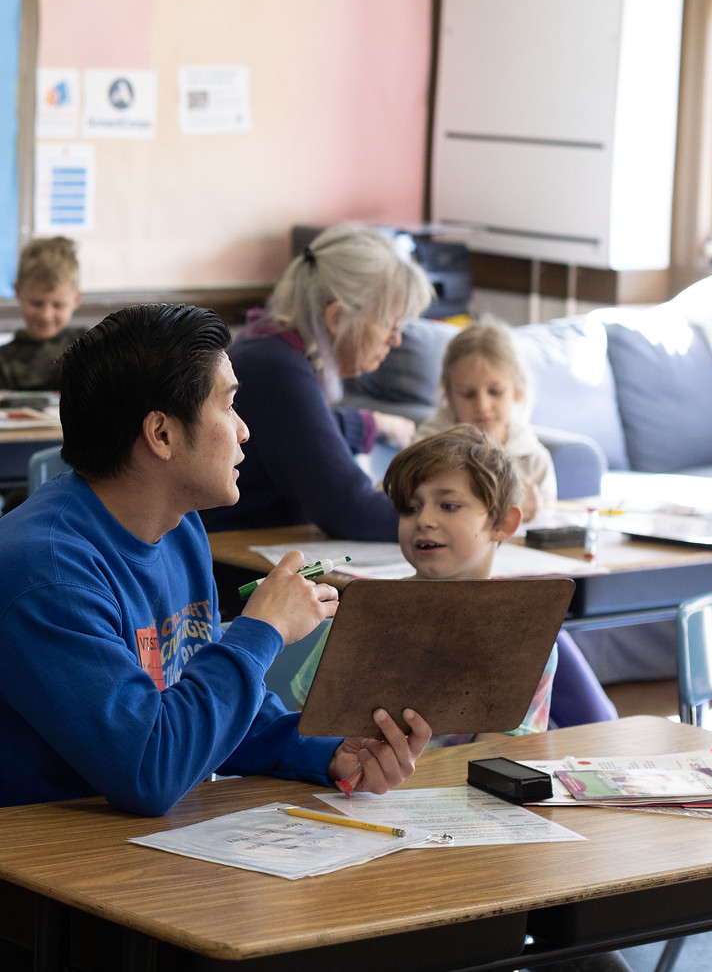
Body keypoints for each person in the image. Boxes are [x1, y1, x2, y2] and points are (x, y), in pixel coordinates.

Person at [0, 304, 433, 971]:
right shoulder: (43, 573)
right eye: (229, 405)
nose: (246, 431)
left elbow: (207, 708)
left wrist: (333, 752)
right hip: (21, 906)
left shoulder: (177, 528)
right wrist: (262, 630)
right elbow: (150, 769)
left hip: (132, 861)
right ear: (160, 432)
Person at [286, 427, 615, 735]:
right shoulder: (363, 613)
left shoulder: (526, 634)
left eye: (449, 505)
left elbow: (499, 757)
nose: (425, 520)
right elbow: (309, 731)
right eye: (410, 508)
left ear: (503, 522)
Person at [203, 224, 435, 536]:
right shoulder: (277, 370)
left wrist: (368, 422)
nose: (395, 341)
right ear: (337, 317)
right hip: (231, 565)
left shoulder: (271, 348)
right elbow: (352, 510)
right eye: (389, 326)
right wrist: (463, 520)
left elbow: (298, 433)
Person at [414, 319, 557, 512]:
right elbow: (395, 502)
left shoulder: (534, 459)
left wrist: (537, 510)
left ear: (518, 390)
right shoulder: (425, 448)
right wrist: (504, 509)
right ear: (449, 393)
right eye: (468, 394)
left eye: (495, 392)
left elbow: (549, 529)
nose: (482, 406)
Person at [0, 235, 84, 392]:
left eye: (58, 305)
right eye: (36, 303)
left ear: (76, 300)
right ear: (18, 291)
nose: (46, 315)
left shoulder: (88, 346)